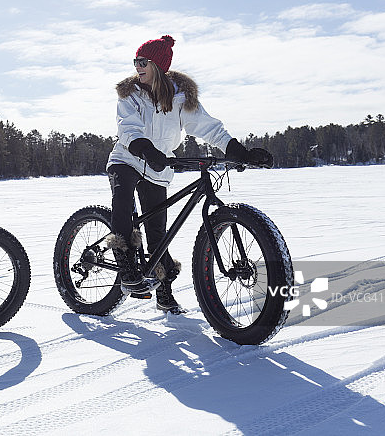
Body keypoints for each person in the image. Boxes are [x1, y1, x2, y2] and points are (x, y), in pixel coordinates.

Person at [106, 35, 272, 313]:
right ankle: (124, 263)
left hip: (160, 167)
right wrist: (145, 148)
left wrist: (236, 150)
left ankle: (164, 295)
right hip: (128, 158)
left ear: (158, 65)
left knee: (158, 232)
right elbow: (127, 127)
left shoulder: (180, 96)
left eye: (143, 61)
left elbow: (207, 126)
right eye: (135, 61)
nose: (137, 67)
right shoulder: (130, 94)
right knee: (123, 201)